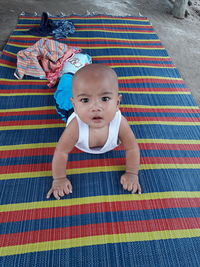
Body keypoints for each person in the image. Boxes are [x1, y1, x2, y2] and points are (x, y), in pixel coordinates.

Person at [47, 64, 141, 200]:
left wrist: (132, 173)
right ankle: (67, 71)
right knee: (63, 91)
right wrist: (59, 178)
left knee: (80, 86)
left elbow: (132, 148)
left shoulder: (120, 123)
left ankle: (76, 68)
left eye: (105, 99)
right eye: (85, 100)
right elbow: (61, 151)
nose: (95, 108)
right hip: (67, 110)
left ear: (117, 102)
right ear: (75, 105)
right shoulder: (75, 126)